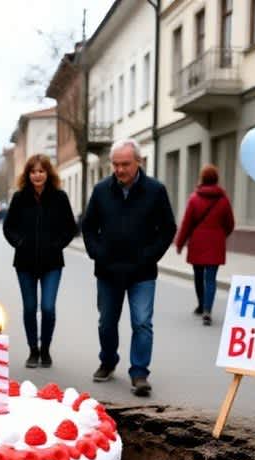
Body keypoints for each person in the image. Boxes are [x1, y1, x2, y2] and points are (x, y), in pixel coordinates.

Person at [81, 138, 176, 397]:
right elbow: (88, 227)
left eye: (125, 164)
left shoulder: (155, 191)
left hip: (142, 272)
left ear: (139, 162)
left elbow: (168, 228)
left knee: (142, 323)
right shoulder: (101, 190)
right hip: (108, 271)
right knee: (106, 323)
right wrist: (98, 254)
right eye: (116, 164)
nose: (120, 170)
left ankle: (139, 373)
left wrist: (149, 256)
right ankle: (108, 361)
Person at [3, 154, 77, 369]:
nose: (37, 175)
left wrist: (57, 244)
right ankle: (32, 351)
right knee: (29, 308)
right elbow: (8, 227)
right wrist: (19, 242)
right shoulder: (19, 198)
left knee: (47, 307)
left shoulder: (59, 197)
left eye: (41, 171)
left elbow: (70, 227)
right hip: (24, 263)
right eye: (33, 171)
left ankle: (45, 349)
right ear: (28, 174)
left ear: (48, 173)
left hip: (52, 263)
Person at [174, 164, 236, 326]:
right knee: (211, 279)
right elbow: (230, 224)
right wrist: (221, 235)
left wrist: (179, 243)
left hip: (197, 243)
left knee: (198, 276)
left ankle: (201, 305)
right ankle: (208, 310)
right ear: (216, 179)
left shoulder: (194, 198)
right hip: (216, 244)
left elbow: (186, 223)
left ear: (202, 179)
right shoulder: (223, 200)